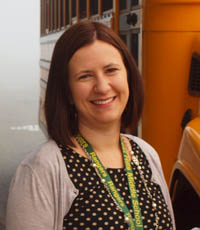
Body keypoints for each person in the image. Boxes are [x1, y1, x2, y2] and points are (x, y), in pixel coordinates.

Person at [6, 20, 176, 230]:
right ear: (67, 92)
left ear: (128, 77)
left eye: (111, 70)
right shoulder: (40, 170)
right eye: (85, 76)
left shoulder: (147, 155)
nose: (103, 87)